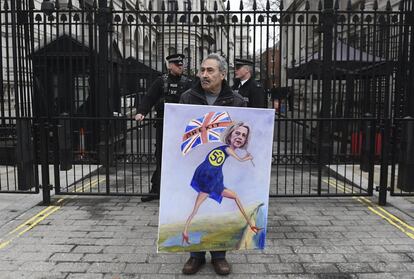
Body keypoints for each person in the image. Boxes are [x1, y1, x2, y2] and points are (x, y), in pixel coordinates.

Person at [179, 53, 246, 276]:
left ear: (223, 74)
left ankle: (219, 255)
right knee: (195, 206)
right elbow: (178, 132)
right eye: (202, 70)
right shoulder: (187, 97)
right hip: (198, 166)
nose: (204, 75)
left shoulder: (237, 101)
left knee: (220, 207)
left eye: (210, 71)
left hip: (221, 169)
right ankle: (195, 255)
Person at [182, 122, 261, 245]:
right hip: (210, 180)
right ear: (230, 136)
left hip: (212, 179)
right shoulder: (227, 148)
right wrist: (248, 158)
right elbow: (240, 160)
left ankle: (185, 231)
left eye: (243, 135)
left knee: (232, 197)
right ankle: (251, 225)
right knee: (200, 206)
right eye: (237, 133)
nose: (240, 137)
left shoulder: (224, 149)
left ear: (245, 140)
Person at [135, 53, 192, 202]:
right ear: (170, 66)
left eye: (182, 64)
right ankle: (156, 191)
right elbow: (149, 97)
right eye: (177, 65)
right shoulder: (161, 81)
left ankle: (180, 191)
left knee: (182, 158)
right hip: (164, 125)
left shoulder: (188, 83)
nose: (181, 67)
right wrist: (142, 112)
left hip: (182, 128)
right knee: (161, 158)